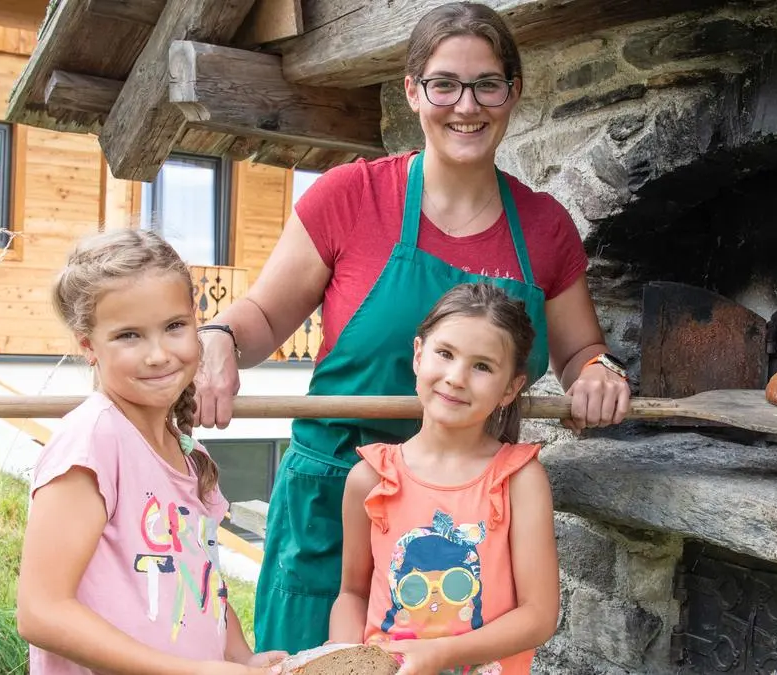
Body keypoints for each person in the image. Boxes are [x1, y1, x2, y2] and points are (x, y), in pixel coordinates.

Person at [192, 1, 632, 654]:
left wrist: (598, 370)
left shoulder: (545, 229)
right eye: (444, 84)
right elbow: (260, 317)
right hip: (335, 500)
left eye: (487, 85)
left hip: (462, 520)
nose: (466, 106)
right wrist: (218, 338)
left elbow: (580, 353)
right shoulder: (349, 197)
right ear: (412, 91)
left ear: (513, 93)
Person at [16, 229, 285, 675]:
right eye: (129, 335)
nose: (158, 354)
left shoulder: (189, 452)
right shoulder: (92, 441)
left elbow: (201, 581)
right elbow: (40, 612)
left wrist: (242, 658)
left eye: (174, 326)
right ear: (88, 345)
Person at [330, 282, 559, 675]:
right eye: (445, 354)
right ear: (419, 355)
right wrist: (343, 659)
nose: (456, 377)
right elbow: (352, 593)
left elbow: (538, 616)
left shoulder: (519, 480)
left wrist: (439, 654)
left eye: (482, 366)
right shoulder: (369, 478)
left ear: (511, 388)